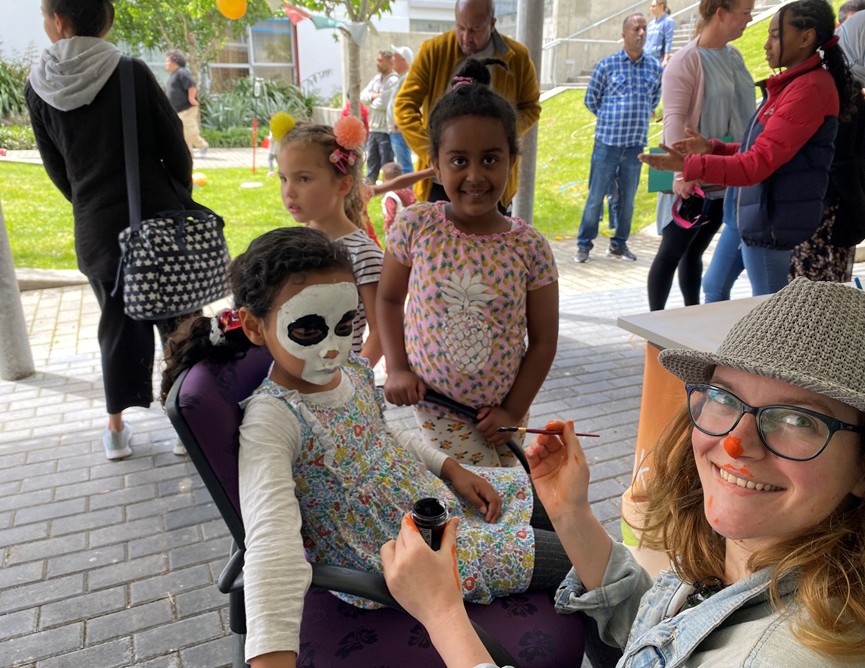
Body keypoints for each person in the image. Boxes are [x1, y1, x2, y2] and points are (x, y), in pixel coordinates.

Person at [381, 277, 865, 668]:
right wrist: (571, 512)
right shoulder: (763, 554)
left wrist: (443, 616)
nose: (736, 443)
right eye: (724, 397)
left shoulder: (784, 654)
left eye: (797, 419)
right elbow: (670, 634)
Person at [159, 226, 573, 668]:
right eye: (308, 329)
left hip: (428, 502)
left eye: (345, 324)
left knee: (560, 506)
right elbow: (270, 546)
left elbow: (383, 436)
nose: (334, 348)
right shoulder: (273, 421)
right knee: (577, 557)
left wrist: (452, 469)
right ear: (256, 327)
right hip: (395, 552)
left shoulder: (352, 370)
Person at [26, 0, 193, 460]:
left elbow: (57, 169)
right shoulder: (131, 72)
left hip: (97, 229)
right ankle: (185, 422)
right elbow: (173, 145)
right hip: (158, 218)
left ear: (58, 21)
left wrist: (90, 205)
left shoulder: (37, 86)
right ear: (106, 18)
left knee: (117, 323)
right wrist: (179, 191)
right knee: (177, 320)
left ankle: (117, 430)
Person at [379, 58, 559, 468]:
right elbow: (389, 300)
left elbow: (544, 341)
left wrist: (513, 411)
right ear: (436, 164)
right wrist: (397, 368)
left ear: (512, 160)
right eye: (459, 160)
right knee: (487, 498)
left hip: (507, 411)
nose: (475, 175)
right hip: (438, 406)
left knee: (502, 492)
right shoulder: (416, 226)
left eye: (490, 159)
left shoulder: (531, 247)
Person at [641, 0, 857, 297]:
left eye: (776, 35)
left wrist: (689, 165)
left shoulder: (808, 88)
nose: (767, 44)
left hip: (769, 214)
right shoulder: (792, 83)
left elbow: (757, 162)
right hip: (750, 208)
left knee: (769, 308)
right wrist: (712, 148)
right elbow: (757, 146)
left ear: (806, 38)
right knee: (713, 286)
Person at [646, 0, 756, 311]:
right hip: (693, 177)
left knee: (694, 253)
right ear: (720, 13)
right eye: (745, 12)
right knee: (672, 253)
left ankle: (690, 318)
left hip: (726, 172)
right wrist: (682, 174)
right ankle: (655, 328)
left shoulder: (733, 55)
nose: (749, 19)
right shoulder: (686, 60)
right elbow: (674, 119)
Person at [394, 0, 541, 211]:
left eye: (475, 30)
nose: (466, 37)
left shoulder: (517, 57)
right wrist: (433, 151)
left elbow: (531, 107)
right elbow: (404, 105)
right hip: (439, 184)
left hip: (491, 185)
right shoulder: (433, 51)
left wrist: (502, 133)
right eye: (460, 28)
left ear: (492, 24)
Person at [269, 111, 384, 368]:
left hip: (335, 386)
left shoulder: (363, 255)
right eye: (284, 179)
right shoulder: (291, 246)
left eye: (304, 179)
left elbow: (381, 331)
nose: (289, 191)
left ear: (342, 185)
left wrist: (351, 380)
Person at [791, 10, 865, 283]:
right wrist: (861, 213)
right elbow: (841, 164)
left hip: (816, 214)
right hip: (828, 221)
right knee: (819, 307)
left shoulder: (834, 85)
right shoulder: (847, 97)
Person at [574, 13, 662, 264]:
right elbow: (591, 99)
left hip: (635, 146)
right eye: (636, 29)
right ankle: (584, 245)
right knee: (595, 198)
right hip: (606, 144)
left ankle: (619, 244)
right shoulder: (607, 65)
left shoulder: (655, 67)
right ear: (624, 34)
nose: (641, 33)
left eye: (644, 28)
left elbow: (653, 100)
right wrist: (610, 118)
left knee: (628, 202)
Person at [360, 50, 399, 184]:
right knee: (372, 160)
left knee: (386, 162)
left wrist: (373, 99)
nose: (378, 63)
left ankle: (390, 186)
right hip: (373, 128)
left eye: (381, 61)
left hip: (385, 130)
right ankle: (369, 187)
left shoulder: (393, 80)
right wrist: (372, 96)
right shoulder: (376, 79)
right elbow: (362, 96)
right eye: (377, 60)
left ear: (390, 62)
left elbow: (383, 103)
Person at [164, 49, 209, 157]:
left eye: (167, 61)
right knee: (182, 132)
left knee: (189, 130)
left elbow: (191, 85)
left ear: (175, 62)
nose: (166, 64)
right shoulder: (174, 74)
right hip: (177, 110)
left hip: (186, 108)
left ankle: (202, 145)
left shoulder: (182, 72)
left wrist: (191, 98)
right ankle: (188, 153)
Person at [387, 44, 415, 175]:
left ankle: (407, 193)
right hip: (396, 129)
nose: (392, 59)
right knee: (402, 163)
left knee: (404, 165)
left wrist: (399, 123)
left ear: (403, 59)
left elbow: (406, 103)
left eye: (395, 56)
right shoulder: (402, 78)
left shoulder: (407, 78)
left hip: (399, 129)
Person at [378, 161, 417, 233]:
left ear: (388, 181)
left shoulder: (390, 196)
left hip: (396, 228)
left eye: (384, 180)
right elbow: (414, 199)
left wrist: (387, 225)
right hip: (409, 224)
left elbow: (391, 213)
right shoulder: (406, 190)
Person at [645, 0, 676, 67]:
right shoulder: (651, 24)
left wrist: (666, 58)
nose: (651, 9)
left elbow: (668, 41)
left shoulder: (668, 21)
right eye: (651, 6)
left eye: (653, 6)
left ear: (661, 6)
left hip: (659, 59)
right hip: (647, 59)